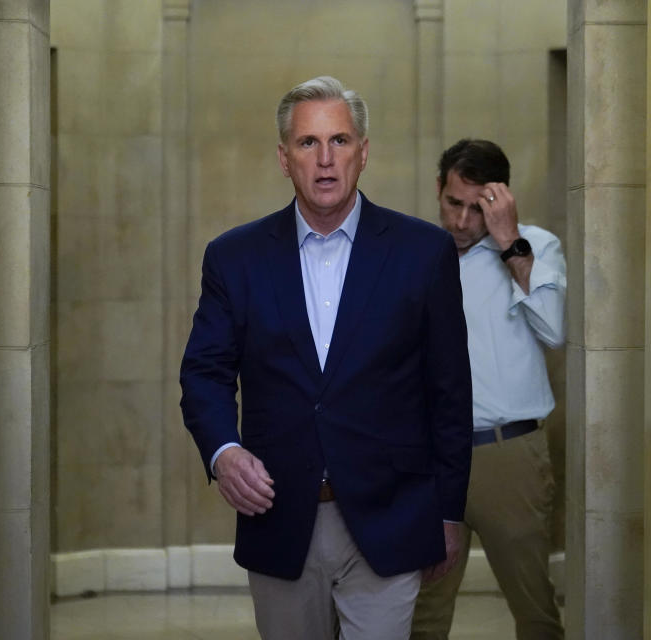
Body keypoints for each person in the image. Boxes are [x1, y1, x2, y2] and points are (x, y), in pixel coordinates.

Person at [179, 76, 473, 640]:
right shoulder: (234, 257)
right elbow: (204, 371)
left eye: (339, 141)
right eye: (307, 143)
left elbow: (449, 390)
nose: (325, 160)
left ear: (363, 153)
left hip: (393, 513)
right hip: (280, 515)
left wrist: (449, 510)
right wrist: (223, 451)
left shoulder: (423, 253)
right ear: (283, 159)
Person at [411, 139, 566, 640]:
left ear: (500, 200)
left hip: (509, 455)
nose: (461, 222)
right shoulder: (414, 258)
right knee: (424, 614)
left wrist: (508, 242)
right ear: (439, 189)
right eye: (453, 203)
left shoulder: (534, 246)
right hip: (432, 457)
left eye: (477, 208)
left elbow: (553, 329)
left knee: (535, 610)